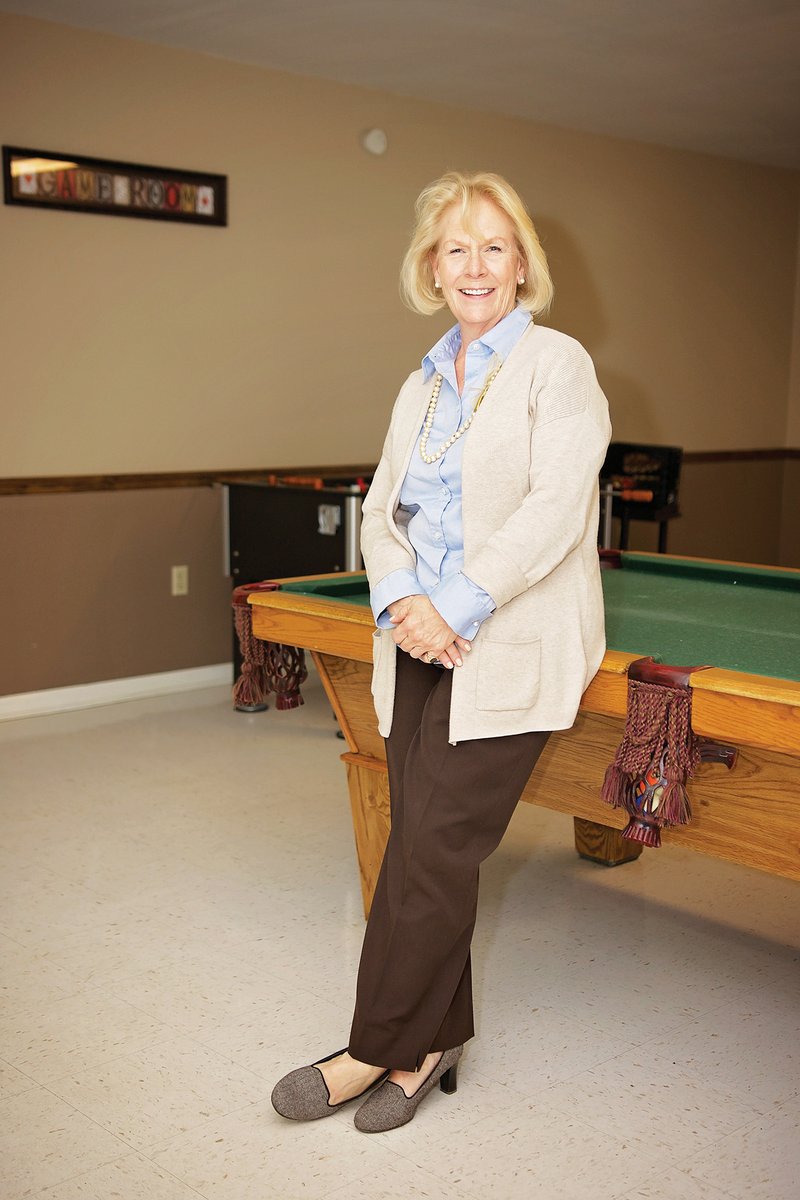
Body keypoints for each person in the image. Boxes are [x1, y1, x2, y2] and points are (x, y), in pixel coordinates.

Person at [271, 170, 611, 1133]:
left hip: (510, 640)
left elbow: (555, 508)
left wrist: (457, 603)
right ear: (432, 266)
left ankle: (373, 1048)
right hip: (418, 637)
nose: (475, 264)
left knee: (435, 844)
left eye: (494, 246)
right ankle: (435, 1038)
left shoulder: (557, 364)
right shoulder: (420, 382)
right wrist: (407, 600)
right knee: (425, 843)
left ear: (522, 265)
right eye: (455, 247)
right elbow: (383, 511)